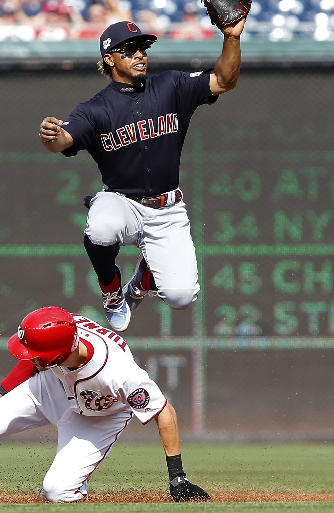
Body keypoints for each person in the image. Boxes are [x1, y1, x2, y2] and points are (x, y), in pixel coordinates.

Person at [0, 307, 210, 503]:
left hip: (99, 416)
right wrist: (1, 390)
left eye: (37, 354)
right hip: (51, 388)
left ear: (59, 352)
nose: (28, 357)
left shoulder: (120, 373)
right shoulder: (60, 329)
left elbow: (163, 410)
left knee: (56, 492)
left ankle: (76, 488)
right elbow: (36, 357)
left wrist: (177, 476)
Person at [37, 16, 245, 331]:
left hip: (167, 209)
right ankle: (111, 291)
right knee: (102, 227)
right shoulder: (94, 109)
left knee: (181, 297)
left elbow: (224, 80)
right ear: (109, 59)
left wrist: (231, 37)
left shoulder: (171, 85)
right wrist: (51, 137)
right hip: (123, 201)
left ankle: (141, 281)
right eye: (128, 49)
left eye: (142, 48)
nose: (139, 54)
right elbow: (63, 141)